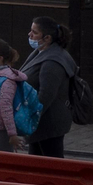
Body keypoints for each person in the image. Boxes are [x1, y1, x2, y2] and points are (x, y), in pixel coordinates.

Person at [21, 16, 76, 158]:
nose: (30, 34)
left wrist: (28, 120)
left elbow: (45, 96)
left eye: (34, 32)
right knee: (37, 164)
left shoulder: (52, 61)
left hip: (48, 124)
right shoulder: (41, 52)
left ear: (47, 38)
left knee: (51, 164)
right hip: (40, 124)